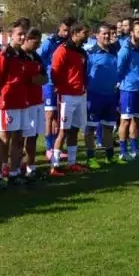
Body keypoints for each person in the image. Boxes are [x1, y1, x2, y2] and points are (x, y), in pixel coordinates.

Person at [50, 23, 90, 175]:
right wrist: (62, 87)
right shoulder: (62, 50)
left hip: (80, 95)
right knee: (63, 131)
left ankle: (72, 163)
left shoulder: (81, 52)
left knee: (74, 130)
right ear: (75, 33)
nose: (87, 35)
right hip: (66, 96)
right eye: (84, 32)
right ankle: (54, 165)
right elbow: (55, 72)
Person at [0, 22, 32, 185]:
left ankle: (15, 171)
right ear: (11, 35)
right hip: (8, 103)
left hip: (22, 102)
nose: (23, 37)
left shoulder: (23, 56)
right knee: (5, 138)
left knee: (18, 138)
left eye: (24, 34)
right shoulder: (3, 56)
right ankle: (1, 170)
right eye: (19, 34)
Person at [85, 23, 120, 167]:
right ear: (97, 35)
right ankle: (90, 158)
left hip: (111, 95)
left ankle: (109, 156)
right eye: (104, 34)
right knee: (91, 127)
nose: (107, 36)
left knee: (108, 127)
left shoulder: (114, 51)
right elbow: (85, 74)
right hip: (94, 96)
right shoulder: (91, 53)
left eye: (108, 34)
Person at [38, 18, 73, 161]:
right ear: (59, 27)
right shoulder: (50, 41)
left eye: (68, 31)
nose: (66, 33)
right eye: (64, 30)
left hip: (63, 83)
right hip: (49, 83)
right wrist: (46, 73)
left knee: (59, 116)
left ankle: (57, 146)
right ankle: (48, 148)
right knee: (50, 115)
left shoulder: (69, 44)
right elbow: (40, 58)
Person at [116, 20, 139, 161]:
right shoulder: (125, 49)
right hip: (128, 89)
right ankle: (123, 151)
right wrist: (120, 83)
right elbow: (119, 69)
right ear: (132, 33)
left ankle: (135, 149)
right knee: (126, 121)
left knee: (138, 120)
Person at [20, 28, 48, 178]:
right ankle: (18, 167)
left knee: (34, 136)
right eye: (35, 42)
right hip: (25, 103)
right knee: (22, 137)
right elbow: (24, 79)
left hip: (37, 101)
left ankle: (31, 166)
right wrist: (33, 79)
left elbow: (44, 78)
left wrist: (35, 79)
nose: (38, 45)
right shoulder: (20, 56)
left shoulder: (36, 56)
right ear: (27, 39)